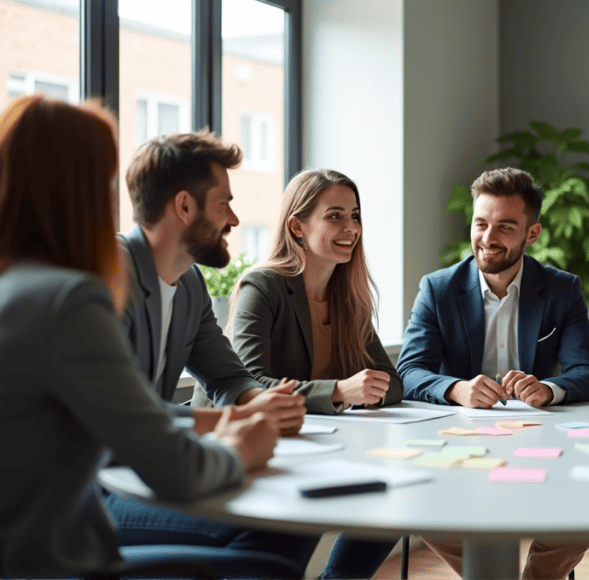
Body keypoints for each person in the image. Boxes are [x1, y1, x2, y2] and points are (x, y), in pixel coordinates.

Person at [0, 95, 279, 577]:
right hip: (50, 560)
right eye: (105, 183)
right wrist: (238, 446)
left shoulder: (18, 285)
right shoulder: (73, 299)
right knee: (268, 566)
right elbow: (174, 468)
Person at [109, 131, 317, 571]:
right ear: (184, 206)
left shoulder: (188, 284)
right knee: (272, 535)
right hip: (94, 487)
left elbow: (226, 376)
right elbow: (124, 415)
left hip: (149, 467)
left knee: (299, 513)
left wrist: (260, 402)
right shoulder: (108, 278)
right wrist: (234, 420)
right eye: (224, 203)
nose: (235, 219)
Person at [398, 167, 589, 579]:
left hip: (538, 440)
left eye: (505, 227)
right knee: (417, 505)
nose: (487, 238)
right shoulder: (438, 288)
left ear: (532, 234)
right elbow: (409, 371)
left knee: (586, 509)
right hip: (458, 444)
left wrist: (548, 389)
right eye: (480, 223)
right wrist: (456, 389)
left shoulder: (562, 289)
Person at [226, 168, 404, 578]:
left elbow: (392, 382)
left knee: (393, 489)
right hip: (250, 449)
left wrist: (372, 390)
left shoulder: (349, 298)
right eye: (335, 216)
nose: (351, 228)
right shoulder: (262, 287)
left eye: (355, 216)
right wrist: (340, 391)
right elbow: (249, 384)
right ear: (297, 226)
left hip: (315, 447)